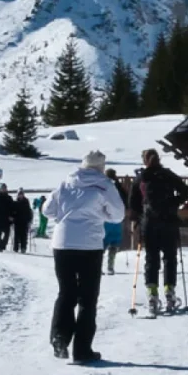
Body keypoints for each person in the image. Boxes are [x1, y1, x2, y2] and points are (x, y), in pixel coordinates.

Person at [43, 149, 124, 364]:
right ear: (101, 167)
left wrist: (64, 216)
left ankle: (60, 337)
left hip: (62, 244)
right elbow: (118, 215)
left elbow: (46, 210)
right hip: (89, 244)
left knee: (66, 292)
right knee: (87, 298)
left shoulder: (66, 183)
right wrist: (101, 215)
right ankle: (82, 350)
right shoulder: (105, 185)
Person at [129, 149, 188, 315]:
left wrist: (139, 217)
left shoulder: (140, 178)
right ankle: (169, 292)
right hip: (169, 221)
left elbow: (133, 203)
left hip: (149, 223)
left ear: (144, 160)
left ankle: (152, 295)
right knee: (170, 258)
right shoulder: (168, 174)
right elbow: (186, 191)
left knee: (151, 259)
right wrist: (173, 203)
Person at [102, 168, 129, 275]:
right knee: (115, 241)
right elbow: (126, 200)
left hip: (104, 218)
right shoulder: (118, 186)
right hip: (117, 218)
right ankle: (110, 266)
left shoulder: (103, 186)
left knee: (102, 242)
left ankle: (98, 265)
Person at [13, 189, 33, 253]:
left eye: (21, 194)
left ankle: (23, 248)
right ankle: (16, 248)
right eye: (19, 194)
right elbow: (13, 211)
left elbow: (29, 212)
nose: (20, 195)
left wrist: (30, 220)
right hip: (17, 221)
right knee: (16, 235)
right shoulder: (15, 202)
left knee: (24, 236)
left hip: (24, 221)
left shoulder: (26, 202)